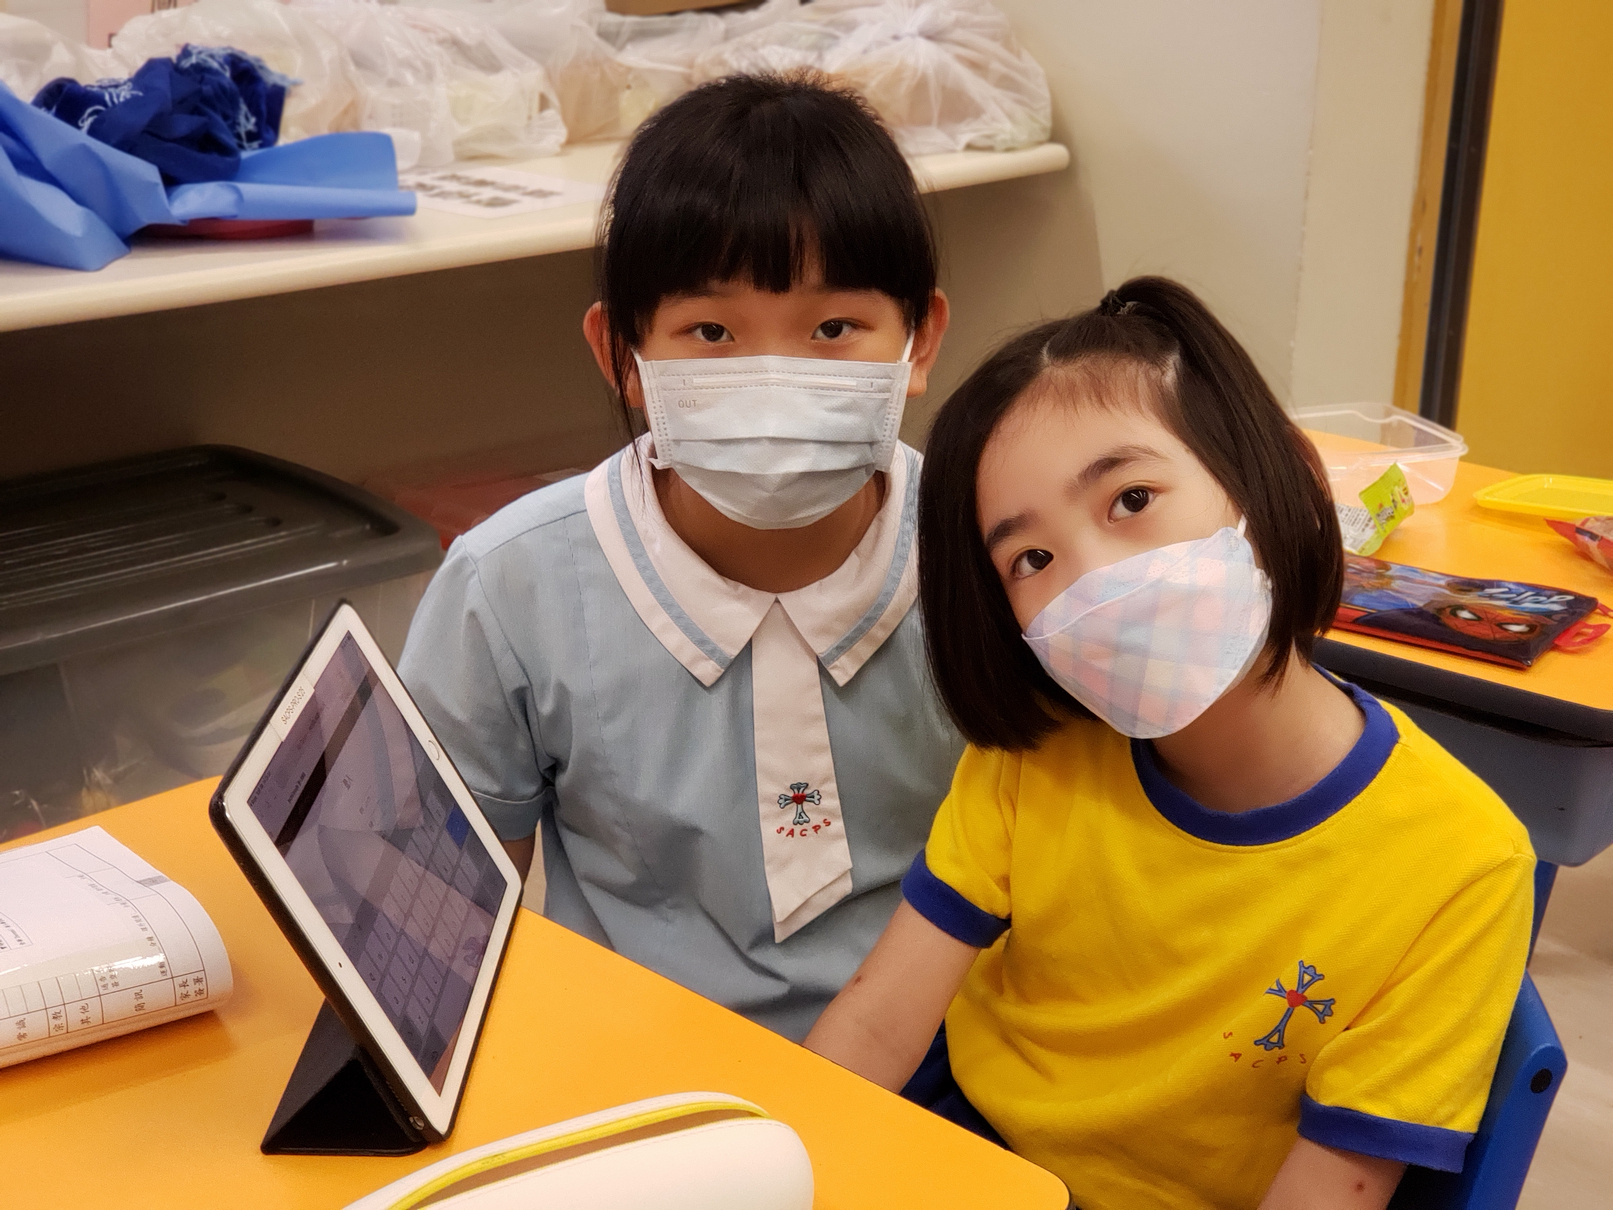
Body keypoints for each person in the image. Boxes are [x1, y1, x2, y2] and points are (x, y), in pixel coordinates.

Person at [805, 277, 1534, 1209]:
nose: (1093, 579)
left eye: (1131, 498)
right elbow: (876, 1029)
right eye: (1031, 560)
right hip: (971, 1152)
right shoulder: (1037, 758)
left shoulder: (1462, 864)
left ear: (1270, 475)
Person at [397, 73, 960, 1042]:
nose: (775, 380)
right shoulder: (510, 587)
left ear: (919, 341)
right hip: (641, 1067)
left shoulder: (988, 556)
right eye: (711, 332)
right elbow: (439, 924)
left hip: (955, 1069)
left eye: (832, 329)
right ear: (622, 354)